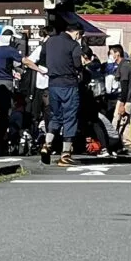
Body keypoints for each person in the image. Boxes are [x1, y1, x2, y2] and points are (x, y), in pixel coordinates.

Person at [40, 17, 85, 166]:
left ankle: (47, 144)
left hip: (53, 83)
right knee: (70, 117)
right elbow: (78, 64)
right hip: (69, 84)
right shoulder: (73, 45)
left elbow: (42, 60)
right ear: (77, 33)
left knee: (56, 115)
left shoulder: (49, 41)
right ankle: (65, 154)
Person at [0, 28, 24, 153]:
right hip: (6, 82)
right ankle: (0, 141)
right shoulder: (10, 50)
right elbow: (20, 62)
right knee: (5, 113)